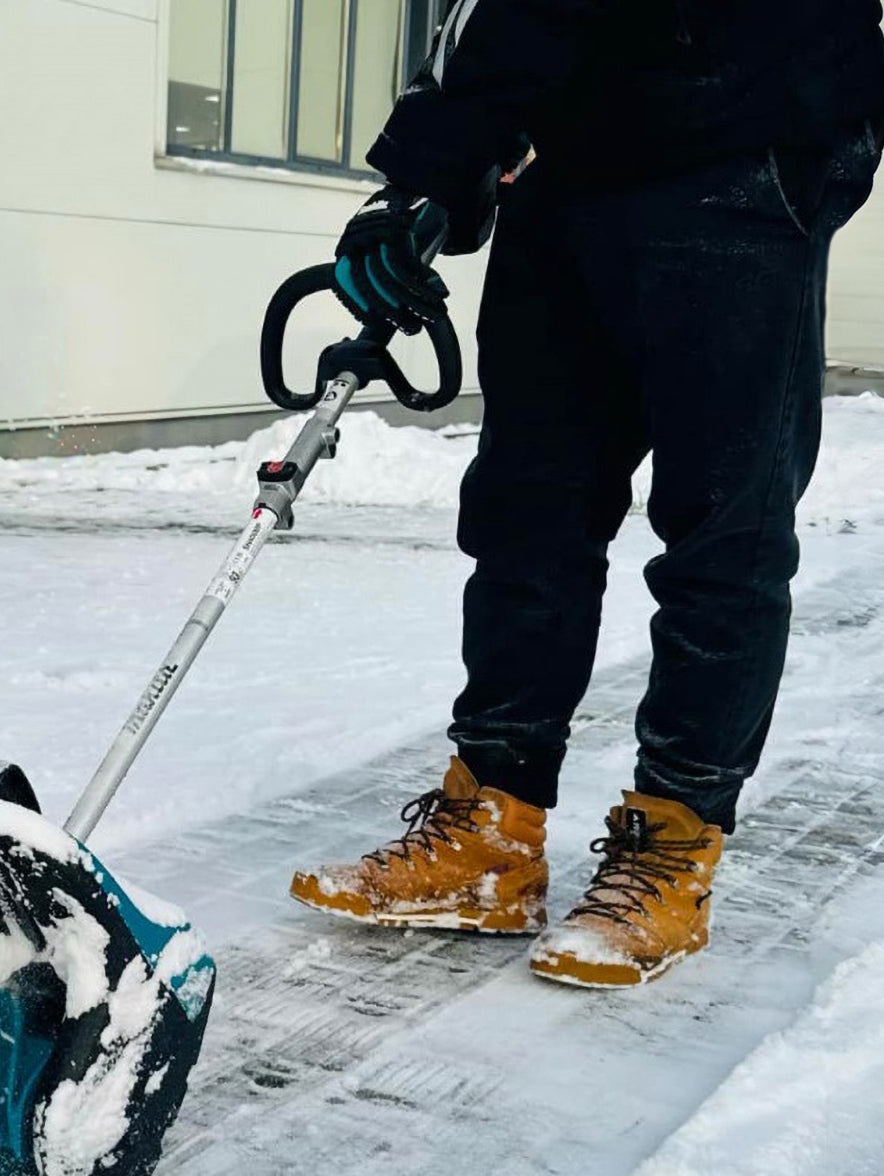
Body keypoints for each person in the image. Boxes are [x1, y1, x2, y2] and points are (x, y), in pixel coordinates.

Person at [291, 0, 884, 988]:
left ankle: (672, 845)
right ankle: (491, 829)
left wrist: (826, 134)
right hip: (565, 161)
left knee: (722, 527)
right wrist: (424, 174)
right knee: (528, 513)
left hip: (746, 137)